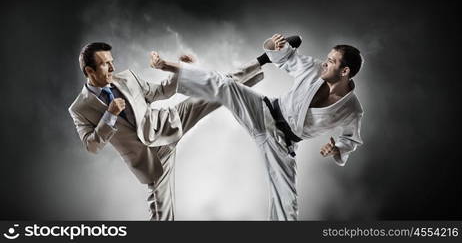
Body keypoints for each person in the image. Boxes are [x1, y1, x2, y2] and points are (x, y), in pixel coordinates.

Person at [151, 34, 364, 220]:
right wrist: (273, 45)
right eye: (327, 59)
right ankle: (170, 67)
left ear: (345, 71)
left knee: (287, 205)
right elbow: (287, 57)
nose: (325, 63)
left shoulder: (352, 109)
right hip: (264, 111)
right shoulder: (314, 68)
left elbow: (350, 139)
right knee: (225, 84)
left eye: (331, 61)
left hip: (282, 145)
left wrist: (337, 148)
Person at [68, 42, 264, 220]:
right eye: (105, 64)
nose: (112, 68)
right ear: (89, 70)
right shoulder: (79, 109)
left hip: (169, 123)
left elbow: (160, 92)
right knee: (163, 215)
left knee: (214, 88)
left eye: (112, 61)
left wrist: (179, 69)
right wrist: (109, 116)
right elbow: (92, 146)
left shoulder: (127, 78)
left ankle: (261, 61)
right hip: (151, 158)